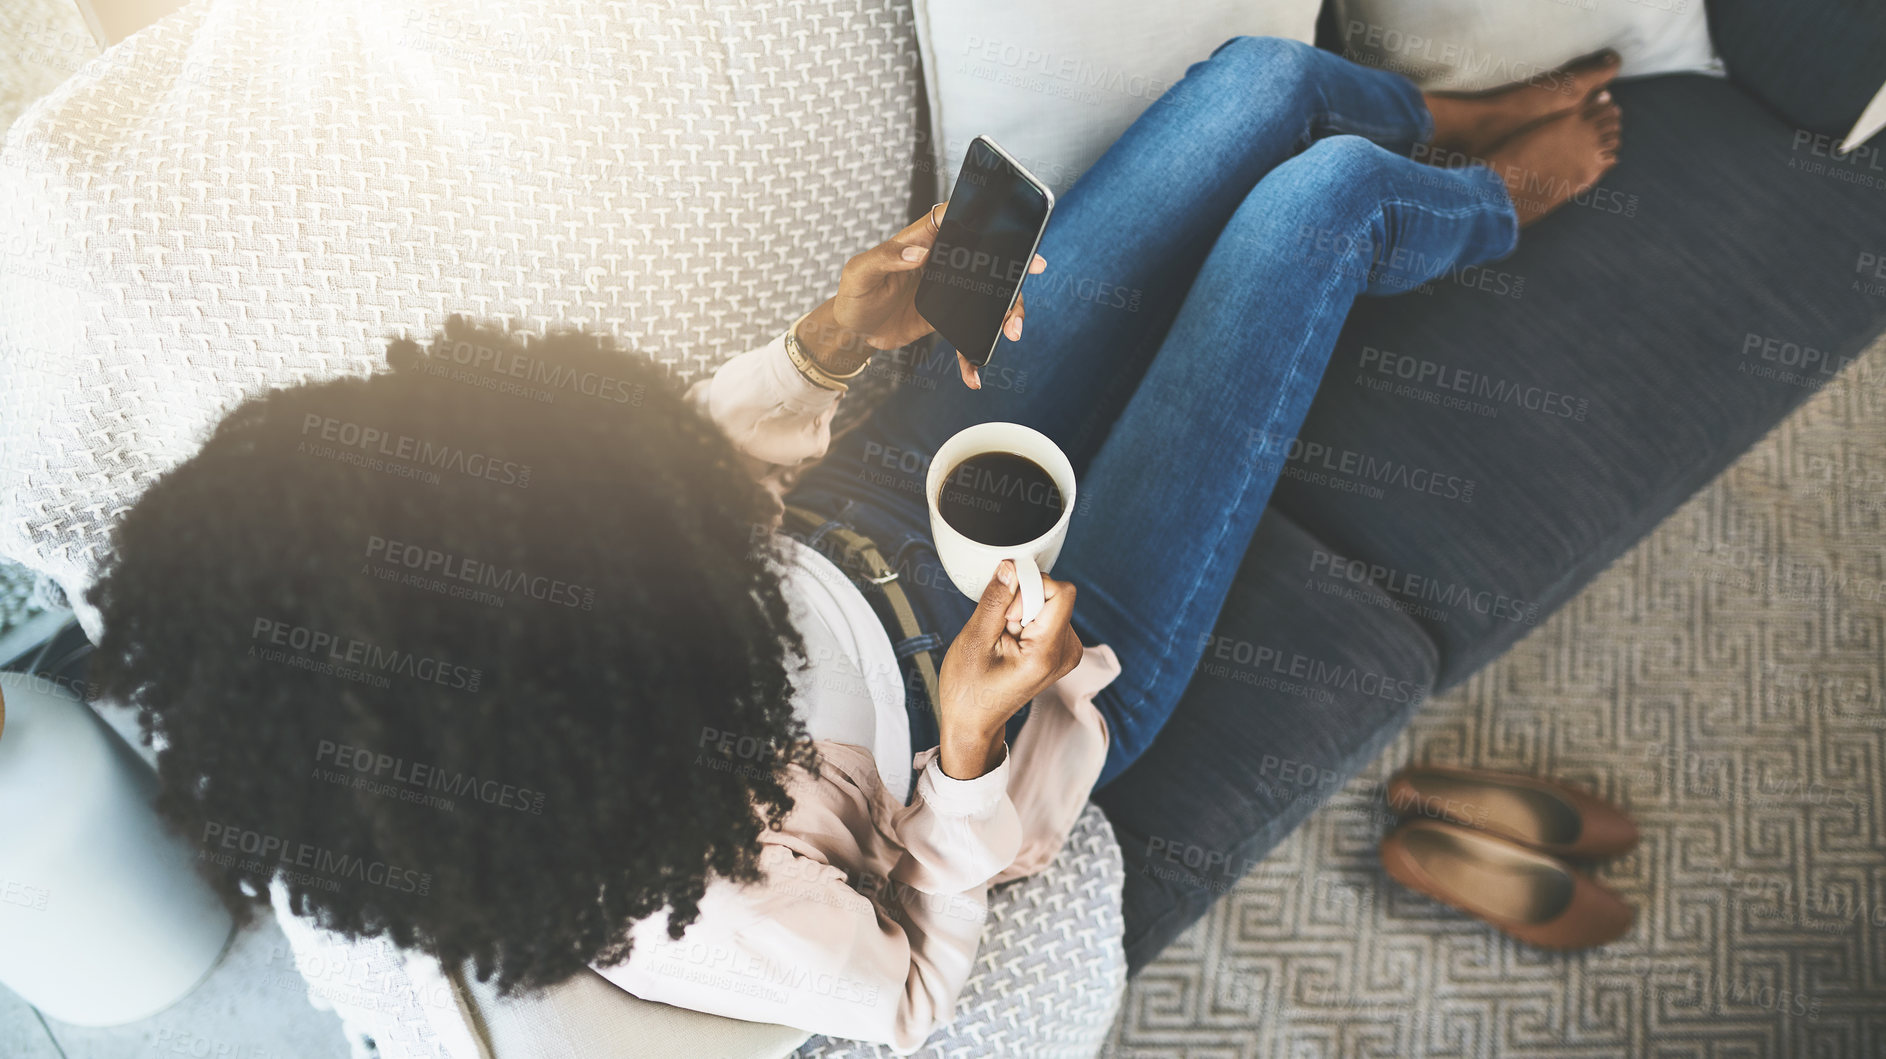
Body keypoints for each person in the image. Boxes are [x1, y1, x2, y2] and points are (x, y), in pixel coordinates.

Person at [87, 37, 1622, 1052]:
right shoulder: (696, 912)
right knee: (1319, 208)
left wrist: (827, 345)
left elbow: (665, 476)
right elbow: (905, 990)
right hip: (1028, 673)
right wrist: (964, 747)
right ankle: (1483, 202)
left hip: (882, 506)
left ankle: (1441, 124)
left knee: (1257, 88)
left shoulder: (543, 559)